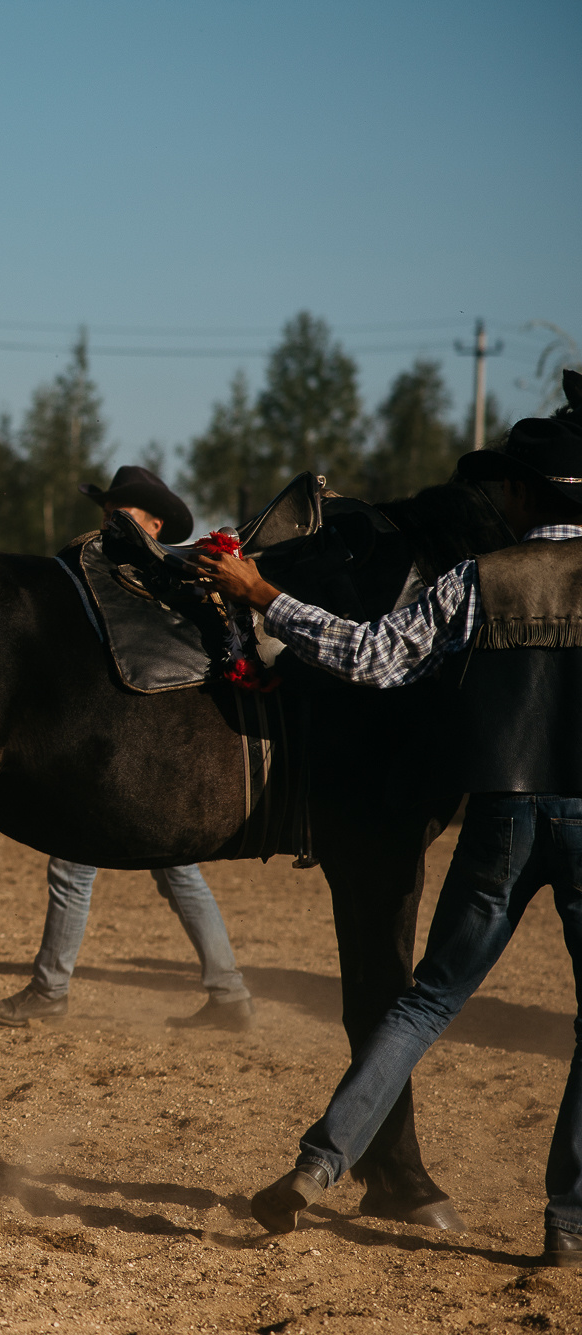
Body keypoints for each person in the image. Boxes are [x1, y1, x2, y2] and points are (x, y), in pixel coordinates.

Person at [201, 374, 582, 1269]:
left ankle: (321, 1161)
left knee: (424, 1000)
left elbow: (370, 657)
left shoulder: (478, 579)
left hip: (501, 816)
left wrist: (265, 597)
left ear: (526, 495)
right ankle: (568, 1219)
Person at [0, 466, 256, 1031]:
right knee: (179, 873)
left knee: (73, 863)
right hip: (149, 752)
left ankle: (51, 990)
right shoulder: (131, 580)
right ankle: (228, 994)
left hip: (122, 753)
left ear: (154, 522)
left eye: (121, 512)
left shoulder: (159, 578)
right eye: (107, 512)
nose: (109, 521)